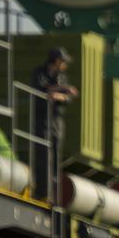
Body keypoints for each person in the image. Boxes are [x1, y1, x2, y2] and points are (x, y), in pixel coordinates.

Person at [30, 47, 77, 200]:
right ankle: (42, 190)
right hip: (42, 118)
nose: (65, 65)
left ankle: (53, 192)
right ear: (57, 61)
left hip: (56, 119)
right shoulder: (40, 72)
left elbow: (67, 97)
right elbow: (42, 89)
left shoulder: (61, 77)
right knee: (43, 153)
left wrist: (58, 95)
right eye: (63, 62)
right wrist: (61, 91)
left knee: (55, 154)